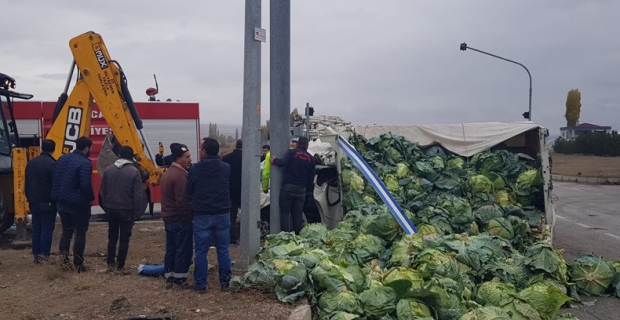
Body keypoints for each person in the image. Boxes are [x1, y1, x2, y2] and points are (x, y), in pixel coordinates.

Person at [187, 138, 232, 294]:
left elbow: (189, 190)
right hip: (222, 213)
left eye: (200, 148)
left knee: (200, 251)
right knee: (223, 250)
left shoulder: (195, 169)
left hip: (202, 214)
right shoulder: (226, 167)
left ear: (204, 152)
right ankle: (225, 282)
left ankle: (200, 284)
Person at [51, 136, 95, 272]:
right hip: (78, 204)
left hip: (62, 203)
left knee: (66, 232)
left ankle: (64, 261)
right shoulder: (85, 163)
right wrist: (90, 198)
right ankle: (78, 263)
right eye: (90, 148)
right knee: (80, 233)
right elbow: (85, 184)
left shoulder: (62, 159)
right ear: (86, 148)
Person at [99, 146, 143, 273]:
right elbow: (137, 195)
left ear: (118, 155)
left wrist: (107, 206)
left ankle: (110, 263)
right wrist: (136, 211)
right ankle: (120, 265)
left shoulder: (108, 170)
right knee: (124, 238)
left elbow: (102, 192)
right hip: (127, 209)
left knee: (112, 237)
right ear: (131, 157)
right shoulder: (134, 172)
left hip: (111, 209)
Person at [160, 144, 194, 289]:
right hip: (179, 220)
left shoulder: (169, 172)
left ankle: (170, 276)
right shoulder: (180, 176)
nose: (190, 160)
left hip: (169, 219)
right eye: (187, 157)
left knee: (172, 249)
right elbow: (182, 201)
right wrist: (188, 218)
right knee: (182, 249)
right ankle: (180, 279)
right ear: (179, 158)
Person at [270, 136, 316, 234]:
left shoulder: (292, 153)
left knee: (285, 213)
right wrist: (305, 188)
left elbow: (282, 162)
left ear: (298, 144)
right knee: (298, 214)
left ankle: (286, 235)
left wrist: (274, 161)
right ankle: (298, 236)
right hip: (301, 190)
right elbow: (311, 178)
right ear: (307, 146)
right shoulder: (311, 159)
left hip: (288, 187)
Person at [25, 139, 57, 264]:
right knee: (47, 229)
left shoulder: (31, 163)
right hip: (47, 201)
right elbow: (55, 184)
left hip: (33, 200)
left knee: (36, 228)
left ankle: (37, 256)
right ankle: (45, 255)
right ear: (53, 149)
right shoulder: (52, 164)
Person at [222, 139, 242, 245]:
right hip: (244, 189)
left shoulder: (227, 158)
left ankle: (232, 237)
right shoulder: (247, 158)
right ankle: (246, 235)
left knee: (232, 214)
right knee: (248, 213)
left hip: (230, 189)